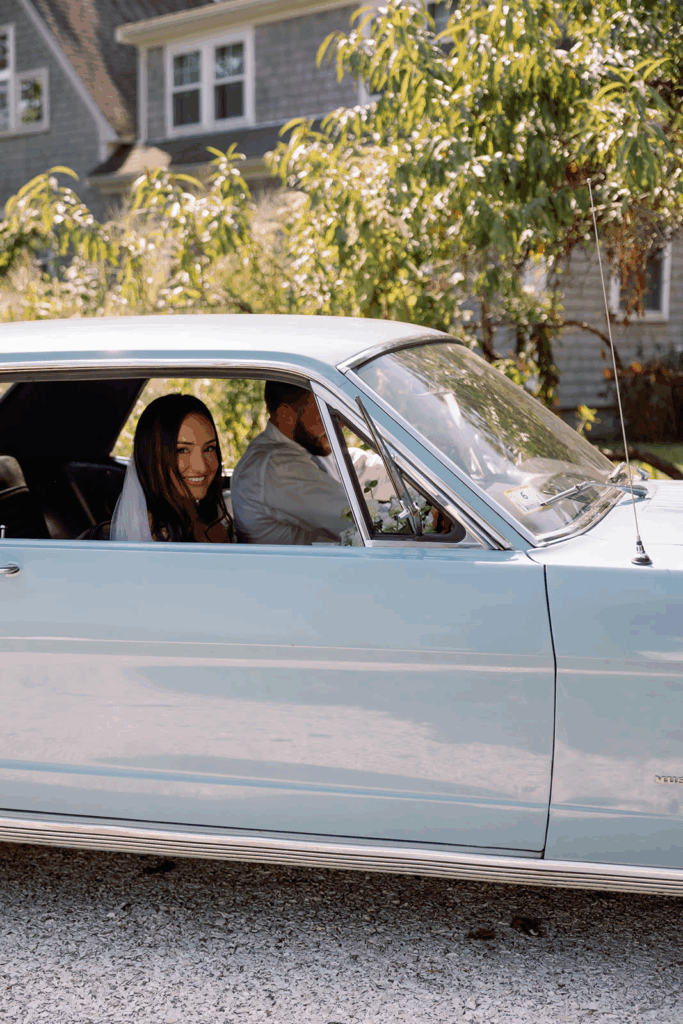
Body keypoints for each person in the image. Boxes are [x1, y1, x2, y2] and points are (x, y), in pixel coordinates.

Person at [230, 381, 391, 545]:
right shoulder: (275, 466)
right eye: (323, 412)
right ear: (286, 416)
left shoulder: (309, 446)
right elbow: (358, 520)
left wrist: (411, 476)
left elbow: (364, 469)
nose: (340, 424)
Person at [86, 394, 233, 543]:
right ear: (152, 457)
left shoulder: (210, 524)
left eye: (209, 448)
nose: (201, 467)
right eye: (181, 450)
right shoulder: (151, 533)